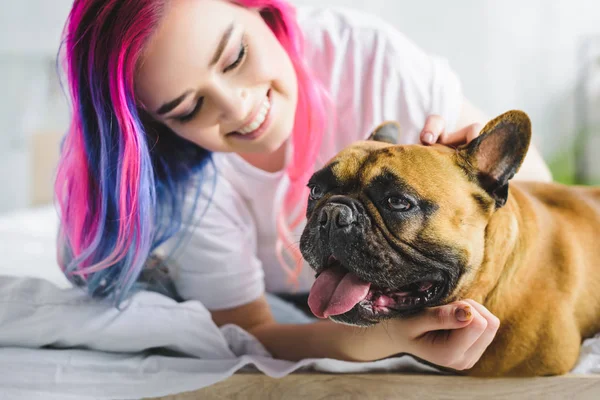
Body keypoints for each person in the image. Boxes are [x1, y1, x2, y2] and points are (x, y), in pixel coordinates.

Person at [55, 0, 552, 371]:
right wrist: (389, 339)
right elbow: (252, 331)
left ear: (260, 11)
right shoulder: (182, 183)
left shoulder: (365, 58)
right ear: (156, 128)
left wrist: (470, 175)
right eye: (188, 109)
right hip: (287, 294)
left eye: (235, 57)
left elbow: (541, 192)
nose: (238, 106)